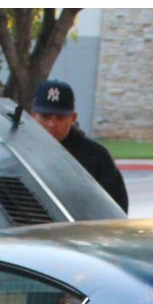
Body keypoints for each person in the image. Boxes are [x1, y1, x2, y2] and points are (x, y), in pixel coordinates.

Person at [31, 79, 129, 212]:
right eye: (45, 116)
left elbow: (117, 210)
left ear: (73, 118)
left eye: (60, 117)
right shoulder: (19, 151)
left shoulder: (96, 157)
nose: (52, 124)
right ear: (33, 116)